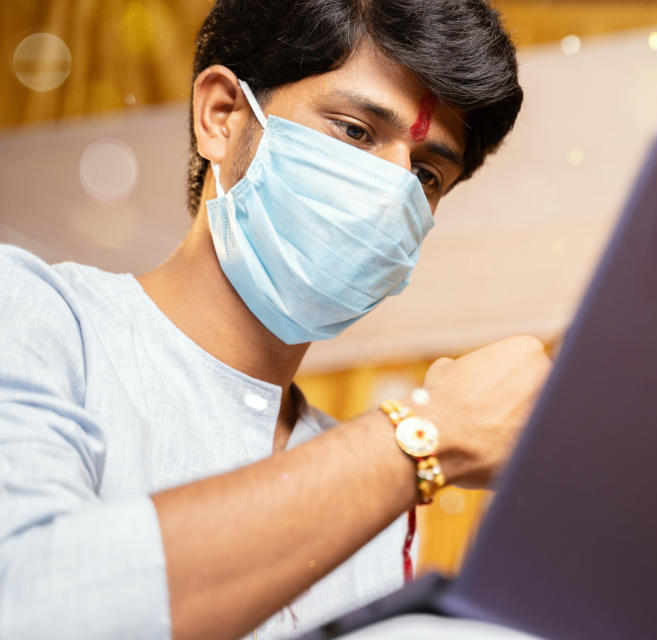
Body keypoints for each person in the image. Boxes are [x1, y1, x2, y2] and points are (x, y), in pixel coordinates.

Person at [0, 1, 551, 638]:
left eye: (426, 173)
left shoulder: (372, 487)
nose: (390, 193)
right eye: (355, 131)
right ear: (222, 117)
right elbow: (25, 602)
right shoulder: (38, 317)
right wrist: (427, 433)